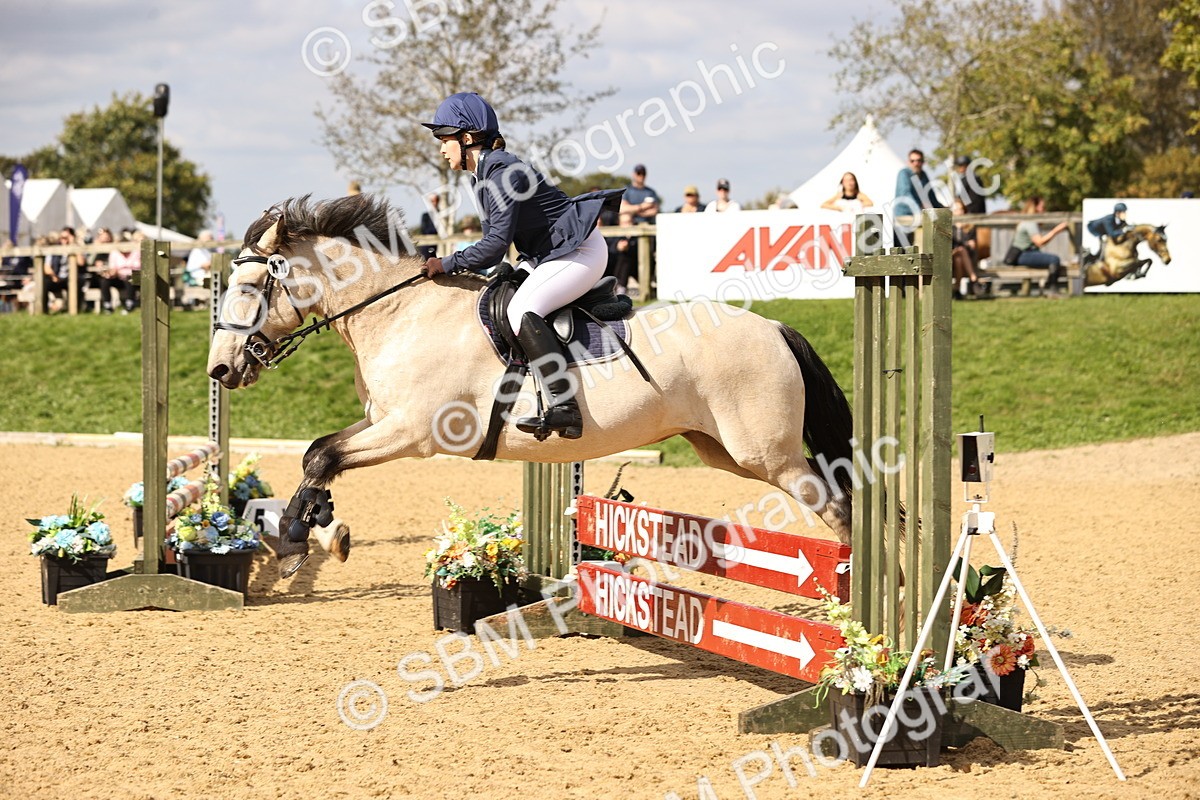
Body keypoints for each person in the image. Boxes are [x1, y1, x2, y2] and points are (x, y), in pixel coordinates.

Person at [420, 92, 621, 440]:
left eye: (444, 139)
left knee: (521, 310)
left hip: (578, 251)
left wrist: (446, 263)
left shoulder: (500, 173)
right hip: (550, 254)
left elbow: (495, 246)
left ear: (467, 139)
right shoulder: (483, 174)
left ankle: (565, 407)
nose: (441, 148)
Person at [616, 164, 659, 294]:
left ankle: (647, 287)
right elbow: (622, 209)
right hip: (630, 231)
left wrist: (634, 210)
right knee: (627, 255)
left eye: (643, 173)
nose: (641, 176)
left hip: (648, 232)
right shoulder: (627, 191)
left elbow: (654, 210)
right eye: (638, 173)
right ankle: (621, 286)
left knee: (649, 259)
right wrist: (642, 207)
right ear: (634, 174)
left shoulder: (650, 192)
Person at [1012, 197, 1070, 295]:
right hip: (1023, 254)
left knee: (1051, 259)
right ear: (1035, 208)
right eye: (1042, 207)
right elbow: (1040, 242)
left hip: (1024, 254)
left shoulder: (1028, 221)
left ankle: (1049, 287)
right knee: (1054, 259)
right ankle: (1053, 289)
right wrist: (1056, 230)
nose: (1044, 210)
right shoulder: (1030, 222)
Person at [893, 149, 944, 246]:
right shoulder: (904, 173)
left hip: (919, 218)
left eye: (919, 160)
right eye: (913, 161)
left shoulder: (923, 175)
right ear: (908, 162)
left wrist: (943, 209)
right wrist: (920, 208)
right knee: (903, 252)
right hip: (904, 217)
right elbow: (905, 193)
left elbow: (931, 197)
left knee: (921, 249)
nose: (916, 163)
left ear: (923, 162)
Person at [109, 228, 142, 312]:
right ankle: (107, 306)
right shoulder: (114, 253)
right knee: (105, 280)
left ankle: (130, 304)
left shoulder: (136, 252)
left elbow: (139, 267)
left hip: (135, 277)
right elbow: (113, 269)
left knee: (129, 278)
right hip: (119, 278)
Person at [418, 193, 440, 259]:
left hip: (435, 244)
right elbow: (424, 230)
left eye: (435, 201)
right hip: (426, 245)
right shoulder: (425, 216)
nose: (433, 203)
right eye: (431, 201)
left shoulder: (441, 215)